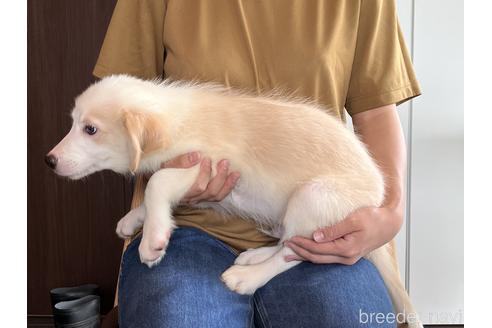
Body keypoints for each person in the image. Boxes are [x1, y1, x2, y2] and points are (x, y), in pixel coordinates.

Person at [94, 1, 420, 327]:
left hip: (320, 232)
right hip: (190, 226)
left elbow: (376, 111)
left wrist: (391, 213)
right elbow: (118, 109)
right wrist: (169, 168)